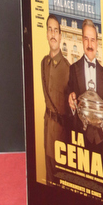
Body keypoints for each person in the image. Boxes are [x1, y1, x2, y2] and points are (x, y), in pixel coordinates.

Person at [68, 19, 103, 205]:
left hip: (101, 142)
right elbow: (67, 104)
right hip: (80, 141)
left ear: (97, 43)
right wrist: (70, 102)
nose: (89, 44)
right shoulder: (73, 70)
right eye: (86, 39)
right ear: (82, 40)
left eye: (92, 40)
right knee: (80, 193)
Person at [40, 14, 71, 185]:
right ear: (47, 34)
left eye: (56, 31)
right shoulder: (43, 63)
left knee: (61, 179)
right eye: (50, 30)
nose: (53, 34)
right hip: (47, 128)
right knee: (48, 177)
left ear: (60, 35)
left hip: (61, 133)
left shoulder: (68, 69)